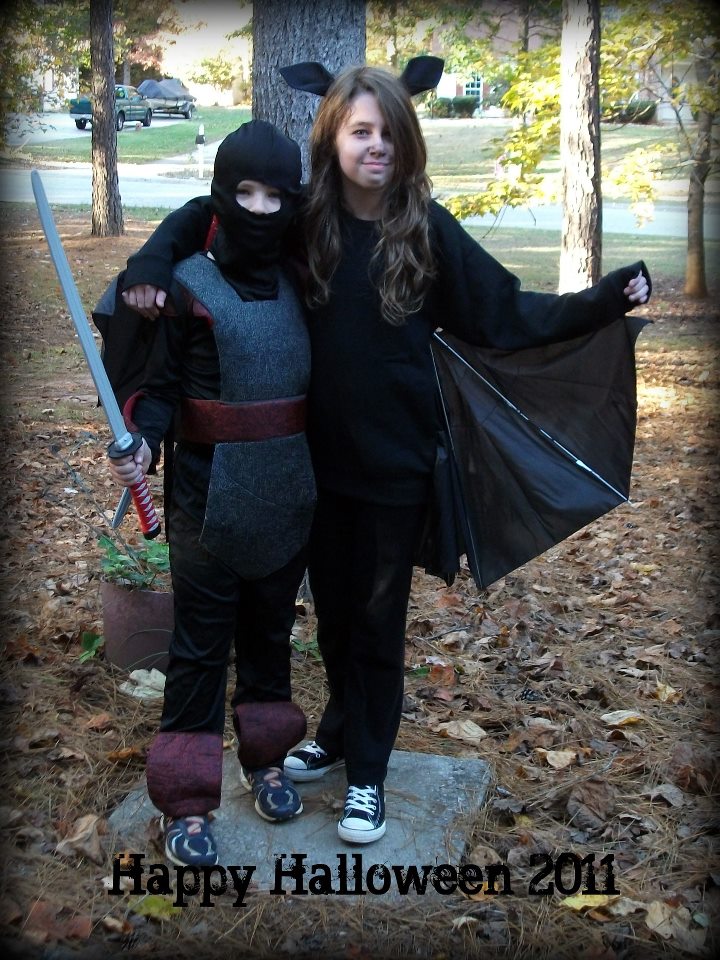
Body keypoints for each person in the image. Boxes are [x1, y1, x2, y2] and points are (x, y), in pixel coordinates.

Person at [118, 57, 650, 847]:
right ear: (333, 140)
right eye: (361, 131)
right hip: (307, 469)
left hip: (394, 468)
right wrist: (150, 262)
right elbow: (213, 211)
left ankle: (367, 773)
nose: (377, 146)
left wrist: (603, 300)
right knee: (332, 621)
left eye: (389, 133)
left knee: (374, 624)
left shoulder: (426, 231)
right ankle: (337, 732)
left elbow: (506, 313)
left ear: (407, 142)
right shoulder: (305, 223)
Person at [105, 120, 316, 867]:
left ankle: (265, 760)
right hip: (205, 501)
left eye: (274, 195)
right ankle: (187, 799)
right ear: (223, 194)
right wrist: (142, 439)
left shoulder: (303, 279)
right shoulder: (189, 284)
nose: (259, 209)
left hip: (289, 495)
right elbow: (161, 390)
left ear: (290, 200)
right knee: (199, 651)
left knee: (269, 637)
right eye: (244, 193)